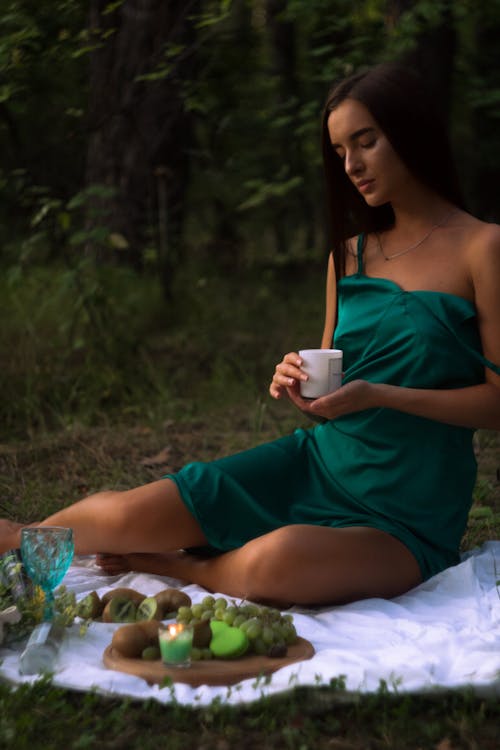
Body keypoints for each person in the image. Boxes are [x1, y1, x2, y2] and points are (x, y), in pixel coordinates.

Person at [2, 62, 500, 607]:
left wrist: (380, 395)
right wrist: (301, 384)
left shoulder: (482, 247)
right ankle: (18, 539)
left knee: (274, 564)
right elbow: (331, 386)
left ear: (410, 131)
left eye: (366, 142)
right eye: (339, 151)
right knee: (127, 514)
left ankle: (183, 565)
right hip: (316, 463)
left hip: (406, 510)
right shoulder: (349, 257)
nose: (352, 164)